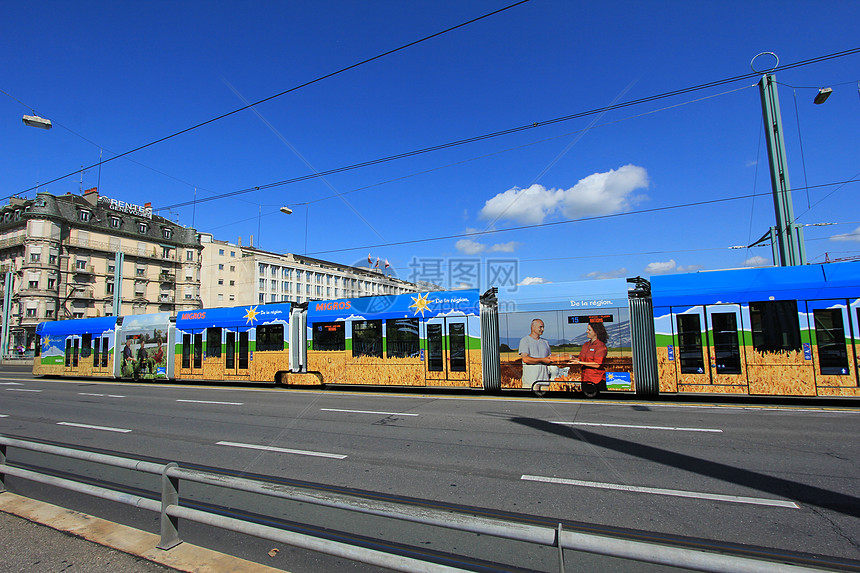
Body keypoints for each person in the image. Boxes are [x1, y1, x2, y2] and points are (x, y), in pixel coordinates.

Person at [573, 322, 608, 397]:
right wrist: (572, 359)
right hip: (585, 379)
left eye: (589, 330)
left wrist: (579, 362)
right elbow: (581, 359)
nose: (587, 331)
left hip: (597, 380)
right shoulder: (586, 345)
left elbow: (598, 364)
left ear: (596, 332)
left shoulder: (601, 346)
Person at [518, 318, 553, 388]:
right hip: (530, 382)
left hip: (545, 381)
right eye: (540, 327)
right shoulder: (525, 341)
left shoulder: (545, 342)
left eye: (543, 327)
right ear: (533, 327)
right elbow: (525, 359)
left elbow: (550, 358)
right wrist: (543, 360)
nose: (542, 329)